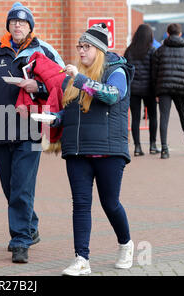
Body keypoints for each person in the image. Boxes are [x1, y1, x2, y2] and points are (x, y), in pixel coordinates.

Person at [0, 2, 64, 264]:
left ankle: (20, 241)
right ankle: (30, 225)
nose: (17, 25)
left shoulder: (44, 51)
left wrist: (38, 87)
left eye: (23, 22)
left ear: (30, 26)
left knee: (21, 186)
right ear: (8, 25)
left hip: (30, 130)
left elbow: (63, 82)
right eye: (13, 21)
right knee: (10, 186)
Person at [48, 23, 135, 276]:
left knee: (110, 203)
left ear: (98, 49)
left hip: (109, 150)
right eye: (79, 46)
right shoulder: (77, 76)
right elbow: (73, 109)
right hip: (78, 150)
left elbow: (111, 95)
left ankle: (126, 245)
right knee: (81, 205)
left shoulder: (115, 70)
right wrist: (54, 119)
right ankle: (82, 259)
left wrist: (81, 78)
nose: (81, 51)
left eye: (86, 47)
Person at [152, 23, 184, 159]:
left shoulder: (159, 50)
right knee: (183, 117)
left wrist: (156, 92)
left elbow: (154, 74)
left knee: (164, 118)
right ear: (180, 34)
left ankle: (164, 149)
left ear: (167, 33)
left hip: (163, 89)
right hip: (181, 89)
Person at [124, 24, 158, 156]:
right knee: (153, 117)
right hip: (149, 89)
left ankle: (137, 147)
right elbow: (154, 72)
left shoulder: (129, 51)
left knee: (136, 118)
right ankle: (153, 145)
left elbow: (126, 70)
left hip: (134, 90)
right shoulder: (152, 50)